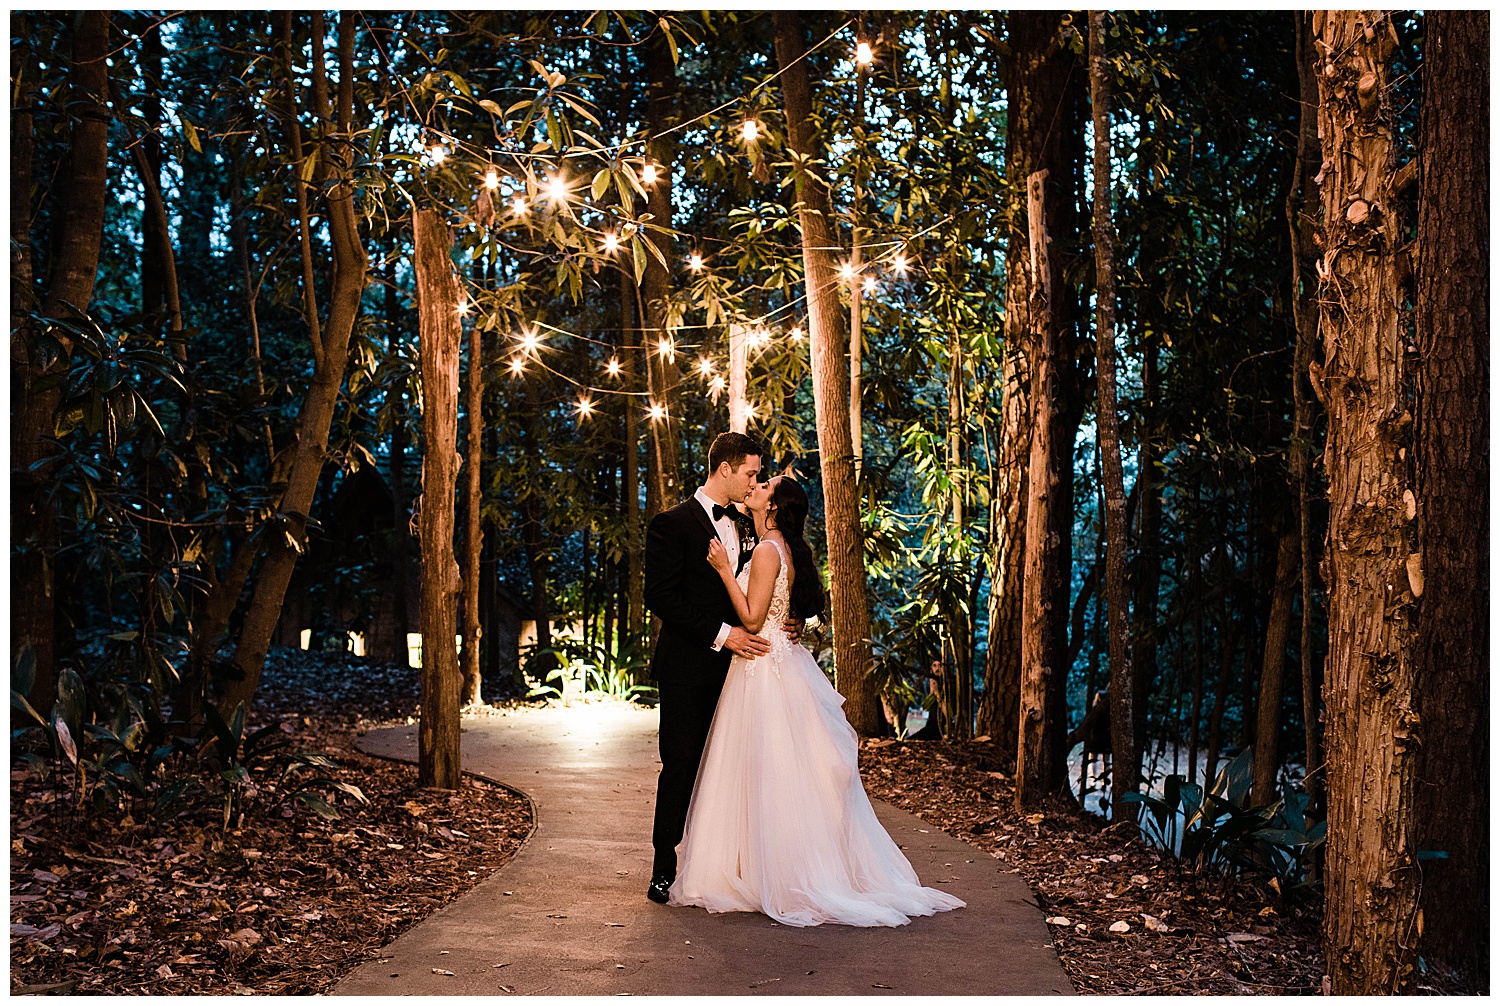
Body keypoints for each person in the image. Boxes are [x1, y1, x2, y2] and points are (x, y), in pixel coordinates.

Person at [668, 475, 965, 927]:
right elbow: (781, 605)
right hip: (775, 661)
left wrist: (726, 571)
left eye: (765, 485)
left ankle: (771, 870)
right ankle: (763, 863)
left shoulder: (768, 549)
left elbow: (750, 615)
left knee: (765, 771)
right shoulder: (776, 544)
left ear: (774, 505)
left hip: (761, 665)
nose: (757, 485)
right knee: (774, 772)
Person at [642, 432, 802, 905]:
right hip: (689, 668)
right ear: (725, 469)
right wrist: (722, 634)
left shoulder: (753, 526)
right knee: (682, 764)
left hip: (743, 675)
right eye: (751, 473)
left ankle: (731, 867)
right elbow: (661, 597)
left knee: (738, 769)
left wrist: (790, 618)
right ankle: (664, 867)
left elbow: (775, 581)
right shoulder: (672, 523)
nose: (756, 481)